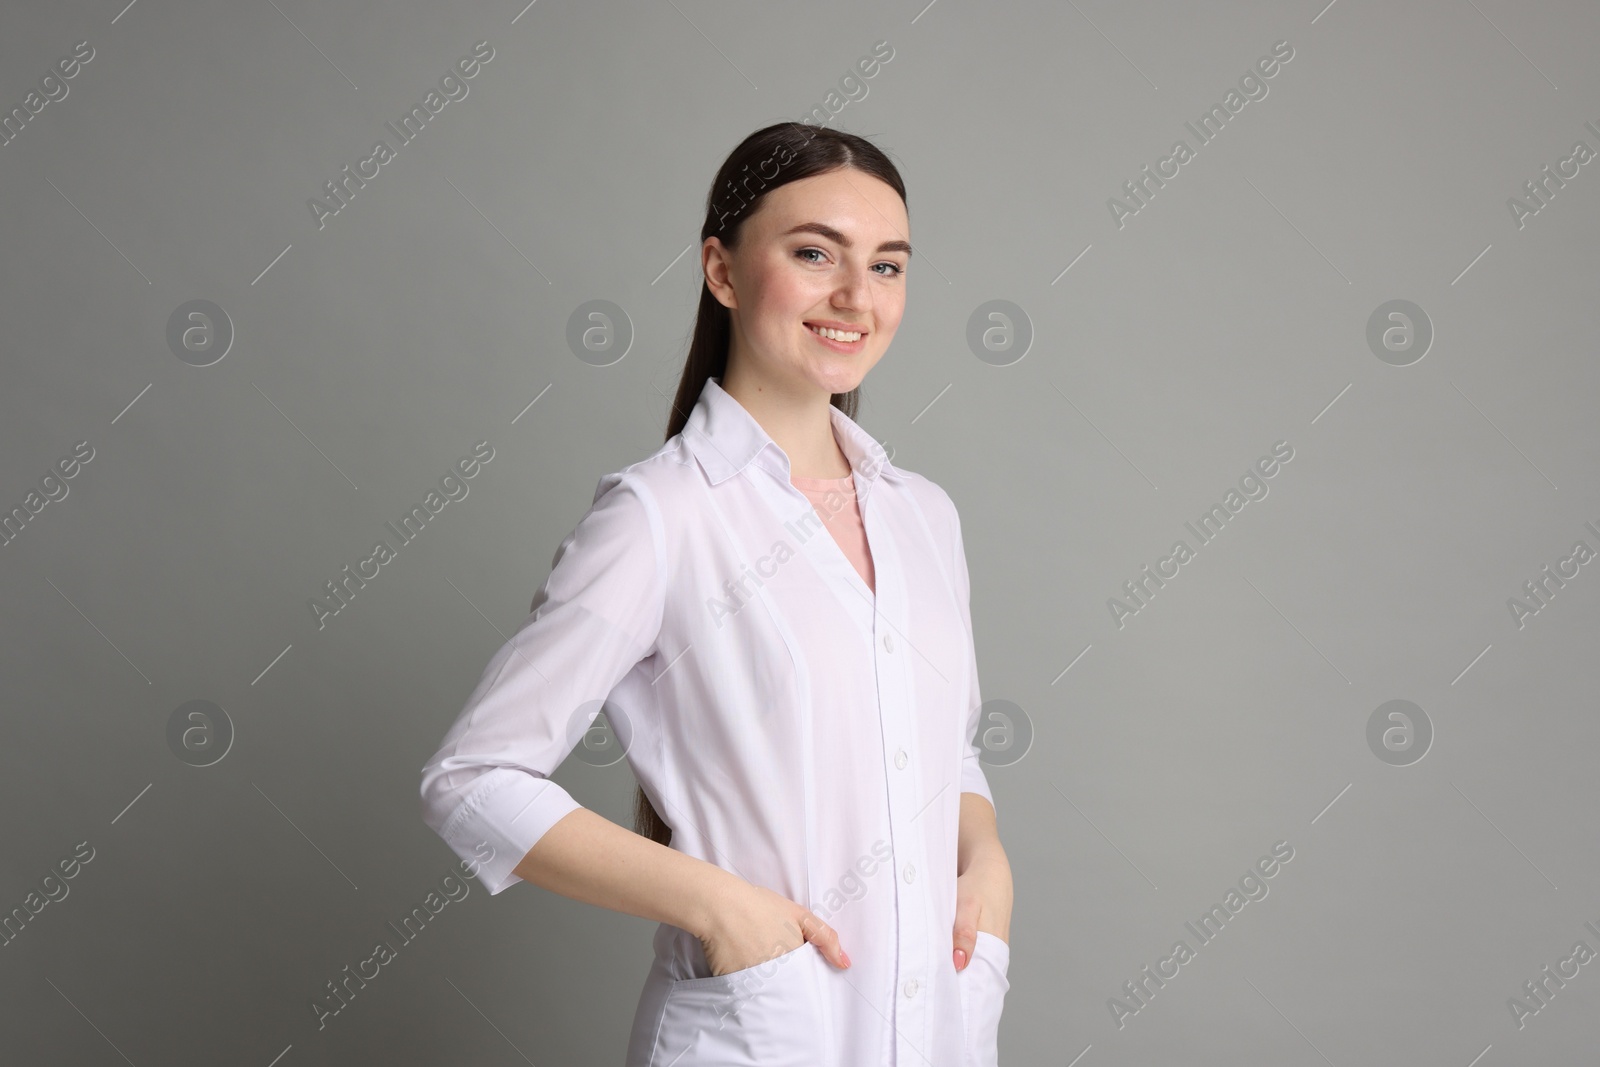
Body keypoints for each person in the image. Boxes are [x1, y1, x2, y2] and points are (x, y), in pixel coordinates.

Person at [420, 122, 1014, 1066]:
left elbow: (946, 752)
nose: (857, 297)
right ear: (723, 271)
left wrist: (986, 865)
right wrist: (718, 906)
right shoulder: (661, 515)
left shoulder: (924, 517)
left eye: (889, 265)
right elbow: (471, 783)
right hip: (762, 1035)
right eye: (815, 253)